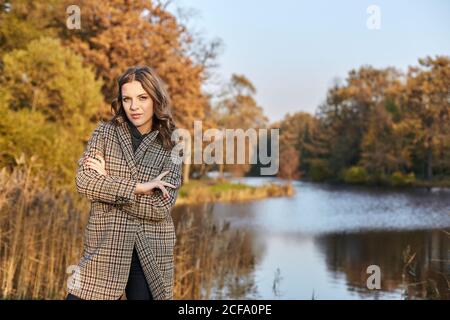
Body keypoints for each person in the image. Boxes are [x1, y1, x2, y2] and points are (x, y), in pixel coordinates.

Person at [66, 66, 182, 300]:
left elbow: (159, 208)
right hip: (106, 247)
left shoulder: (172, 143)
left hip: (150, 250)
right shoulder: (104, 133)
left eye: (142, 98)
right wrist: (139, 188)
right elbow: (84, 182)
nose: (134, 107)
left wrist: (106, 183)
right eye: (127, 99)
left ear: (155, 99)